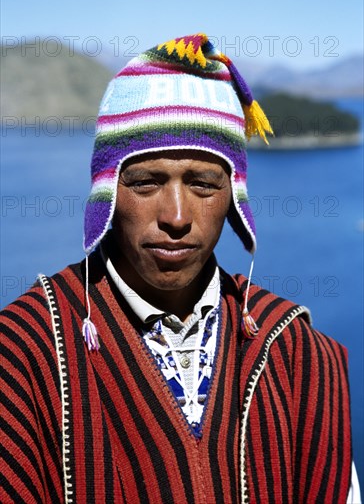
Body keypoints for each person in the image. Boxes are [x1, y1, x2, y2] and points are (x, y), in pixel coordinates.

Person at [0, 33, 359, 503]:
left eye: (204, 184)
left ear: (234, 195)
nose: (176, 216)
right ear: (107, 190)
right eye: (146, 182)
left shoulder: (300, 356)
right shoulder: (24, 353)